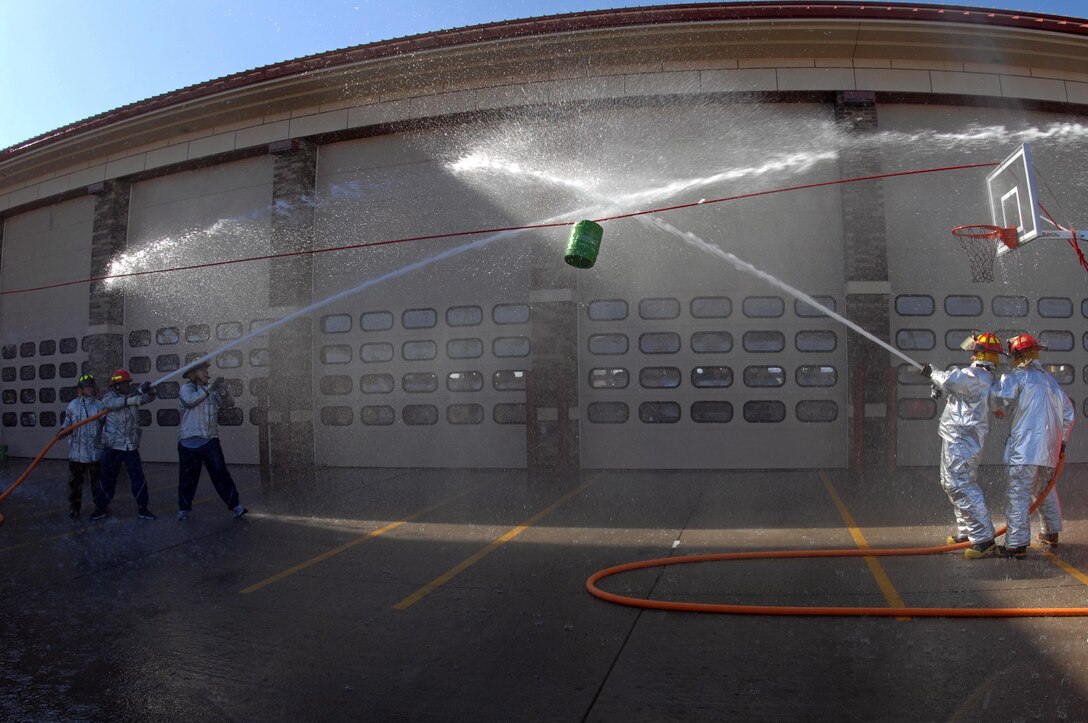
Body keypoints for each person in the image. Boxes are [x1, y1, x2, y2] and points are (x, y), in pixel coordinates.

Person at [989, 333, 1075, 559]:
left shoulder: (1015, 377)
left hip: (1024, 451)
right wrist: (1062, 442)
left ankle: (1016, 544)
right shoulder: (1050, 380)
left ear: (1016, 355)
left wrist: (985, 382)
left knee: (1019, 494)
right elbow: (1069, 412)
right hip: (1050, 450)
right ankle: (1051, 532)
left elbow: (998, 399)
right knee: (1045, 490)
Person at [920, 332, 1002, 559]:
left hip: (963, 440)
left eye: (975, 350)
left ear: (981, 354)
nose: (971, 353)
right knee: (952, 484)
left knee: (961, 485)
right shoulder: (978, 378)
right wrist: (940, 388)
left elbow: (949, 380)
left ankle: (984, 539)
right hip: (957, 438)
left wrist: (932, 373)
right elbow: (953, 390)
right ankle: (967, 531)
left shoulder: (975, 376)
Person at [177, 360, 246, 521]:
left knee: (221, 475)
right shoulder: (186, 389)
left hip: (209, 441)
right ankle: (183, 509)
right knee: (187, 479)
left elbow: (229, 404)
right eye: (203, 370)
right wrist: (210, 389)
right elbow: (190, 402)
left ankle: (236, 506)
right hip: (188, 443)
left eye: (207, 370)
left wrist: (223, 392)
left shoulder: (212, 390)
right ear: (194, 374)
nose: (207, 373)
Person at [90, 369, 157, 521]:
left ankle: (143, 509)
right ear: (116, 386)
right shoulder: (109, 397)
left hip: (130, 447)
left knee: (138, 478)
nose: (127, 385)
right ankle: (101, 509)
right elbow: (112, 404)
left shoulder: (133, 396)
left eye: (128, 382)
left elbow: (147, 398)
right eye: (124, 383)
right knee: (107, 479)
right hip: (113, 447)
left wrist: (151, 390)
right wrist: (129, 400)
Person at [58, 374, 105, 521]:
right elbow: (67, 424)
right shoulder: (73, 405)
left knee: (97, 484)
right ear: (81, 389)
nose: (89, 389)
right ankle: (74, 508)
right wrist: (63, 432)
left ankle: (100, 508)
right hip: (76, 454)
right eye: (86, 387)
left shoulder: (100, 406)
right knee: (74, 484)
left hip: (94, 453)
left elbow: (106, 427)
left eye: (91, 386)